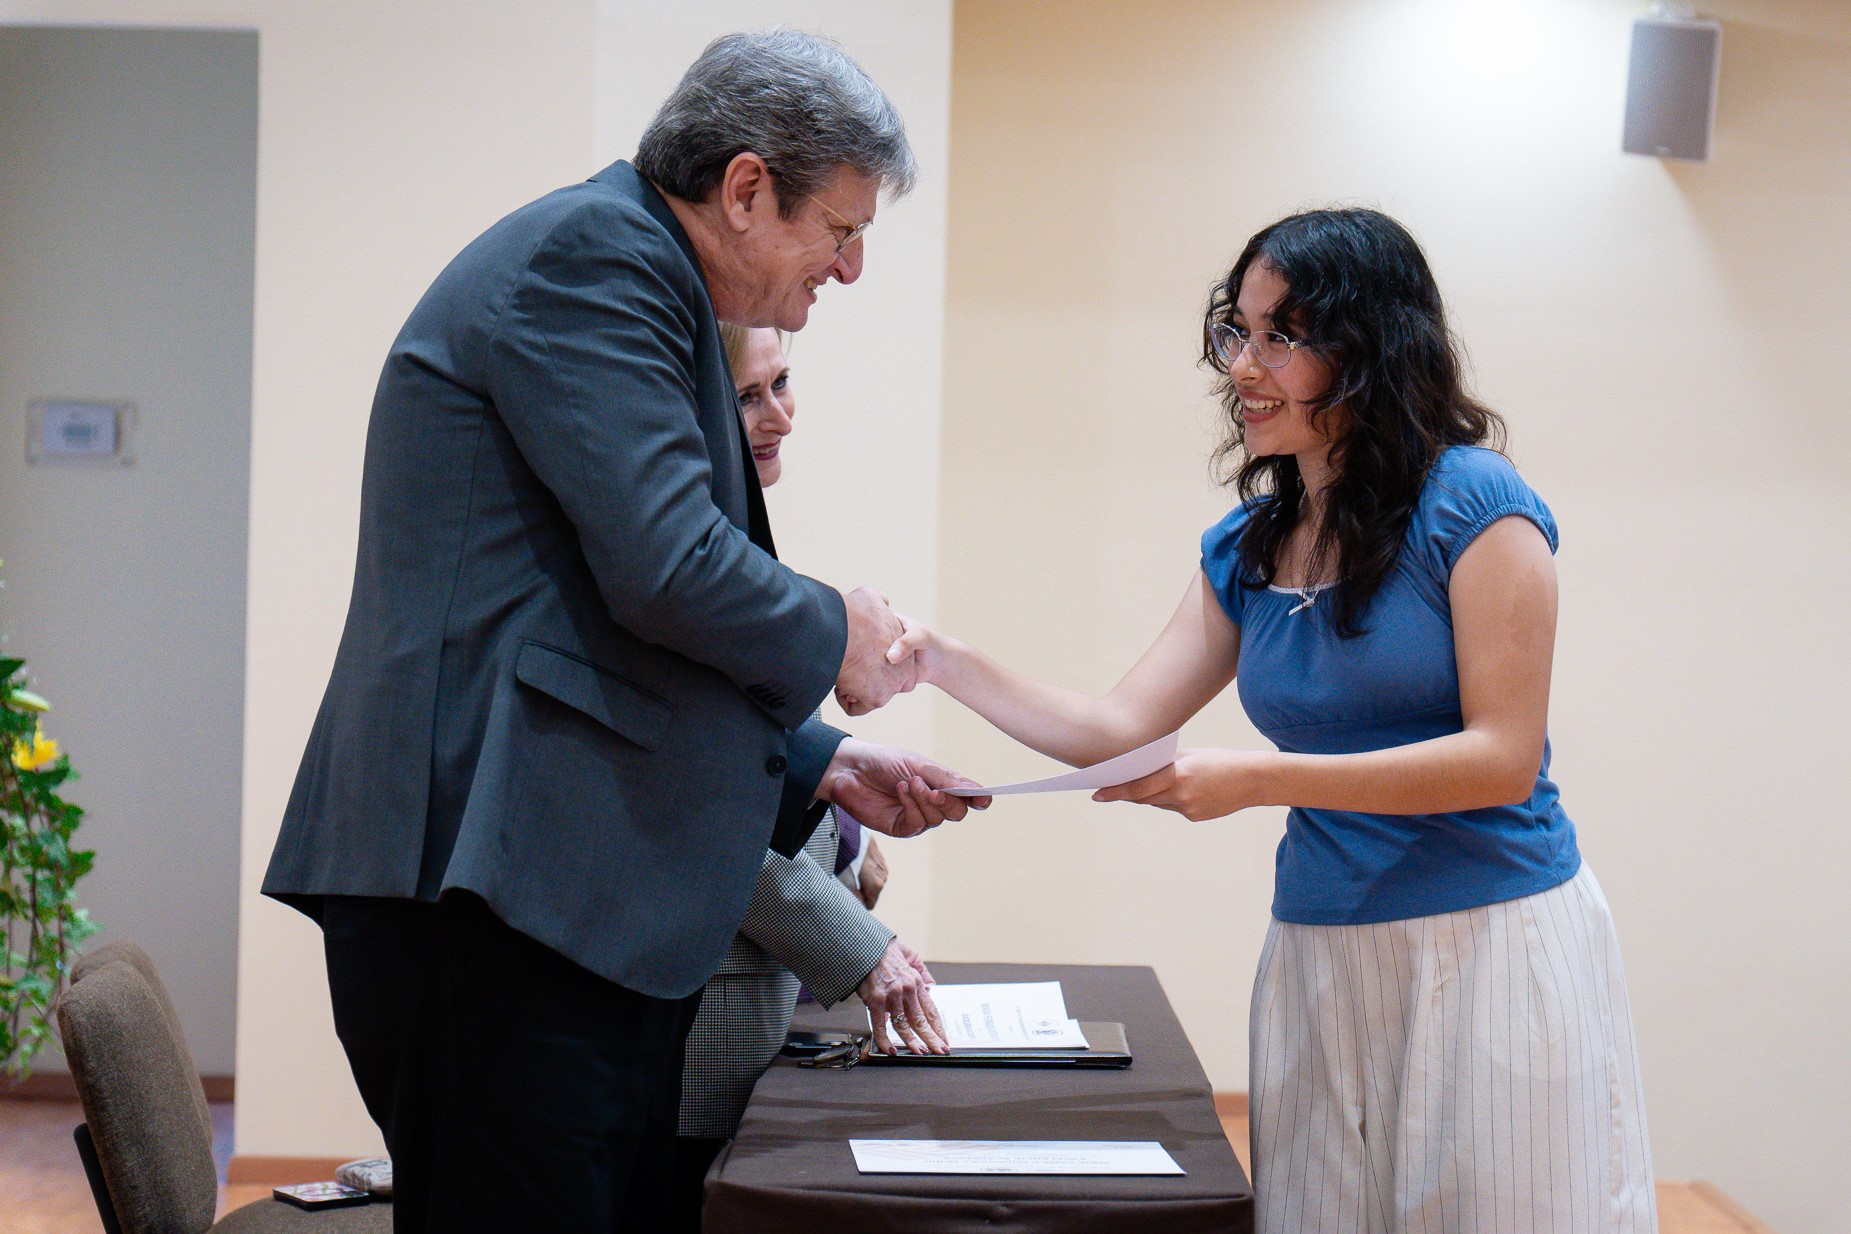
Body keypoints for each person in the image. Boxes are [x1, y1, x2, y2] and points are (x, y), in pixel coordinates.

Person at [261, 31, 984, 1234]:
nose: (851, 270)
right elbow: (665, 568)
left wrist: (819, 761)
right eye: (842, 229)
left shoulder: (636, 274)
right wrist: (836, 630)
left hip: (551, 902)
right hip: (487, 900)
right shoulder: (597, 259)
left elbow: (601, 618)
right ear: (746, 189)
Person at [888, 209, 1655, 1233]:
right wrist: (942, 662)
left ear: (1373, 351)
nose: (1244, 366)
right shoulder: (1250, 543)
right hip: (1321, 952)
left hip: (1493, 949)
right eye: (1237, 332)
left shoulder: (1478, 504)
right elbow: (1119, 723)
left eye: (1281, 336)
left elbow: (1501, 759)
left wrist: (1260, 778)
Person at [669, 325, 945, 1231]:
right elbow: (684, 827)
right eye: (748, 396)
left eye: (782, 384)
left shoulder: (729, 549)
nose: (778, 414)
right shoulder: (675, 576)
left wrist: (848, 820)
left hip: (750, 1016)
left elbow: (753, 759)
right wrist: (856, 945)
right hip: (682, 1041)